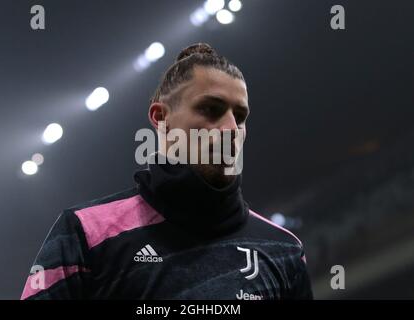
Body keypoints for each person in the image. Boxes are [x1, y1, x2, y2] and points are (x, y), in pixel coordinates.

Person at [21, 43, 313, 300]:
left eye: (240, 117)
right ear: (161, 118)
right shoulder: (86, 232)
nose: (230, 130)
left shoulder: (283, 250)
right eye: (211, 109)